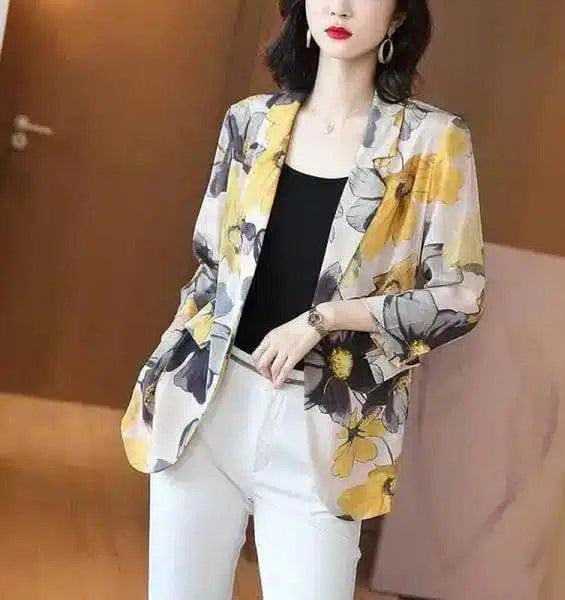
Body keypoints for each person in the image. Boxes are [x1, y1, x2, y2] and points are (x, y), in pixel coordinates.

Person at [120, 0, 486, 598]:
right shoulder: (250, 122)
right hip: (208, 409)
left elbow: (460, 297)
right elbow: (212, 265)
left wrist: (325, 319)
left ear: (397, 17)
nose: (340, 6)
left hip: (324, 432)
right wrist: (168, 370)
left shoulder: (432, 141)